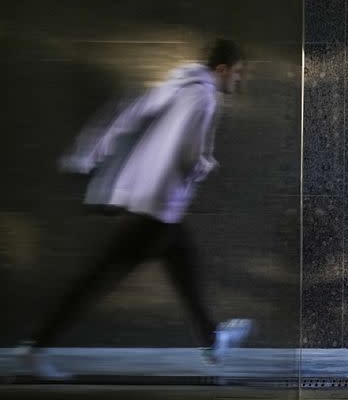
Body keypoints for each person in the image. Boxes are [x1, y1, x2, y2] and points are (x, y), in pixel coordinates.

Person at [16, 39, 253, 380]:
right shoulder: (204, 98)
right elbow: (188, 156)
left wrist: (90, 153)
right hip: (156, 209)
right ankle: (36, 346)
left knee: (184, 267)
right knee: (98, 276)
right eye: (239, 73)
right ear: (222, 69)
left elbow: (134, 111)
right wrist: (205, 164)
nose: (239, 81)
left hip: (153, 203)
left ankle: (212, 339)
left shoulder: (180, 82)